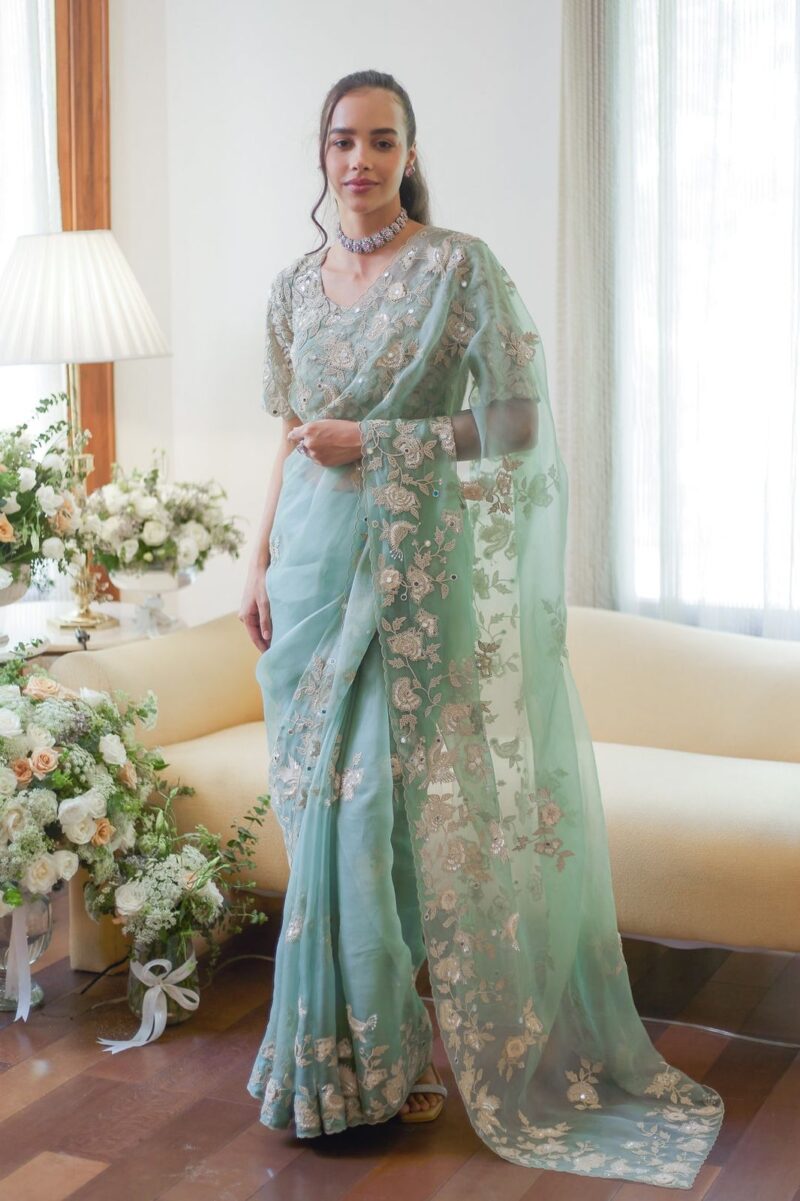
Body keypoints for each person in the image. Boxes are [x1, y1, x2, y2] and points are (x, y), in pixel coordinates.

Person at [239, 69, 725, 1189]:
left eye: (381, 141)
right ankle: (352, 1059)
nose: (359, 160)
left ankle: (364, 1069)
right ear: (320, 154)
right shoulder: (290, 288)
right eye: (341, 140)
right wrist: (254, 556)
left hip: (411, 573)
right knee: (321, 815)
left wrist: (381, 443)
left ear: (409, 154)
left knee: (378, 817)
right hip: (310, 570)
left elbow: (514, 423)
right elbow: (290, 433)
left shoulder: (459, 268)